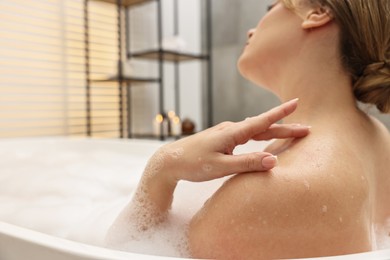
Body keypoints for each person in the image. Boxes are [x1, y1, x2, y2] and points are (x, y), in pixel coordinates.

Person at [107, 0, 390, 259]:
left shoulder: (278, 189)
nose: (252, 29)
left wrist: (163, 168)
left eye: (271, 6)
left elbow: (132, 250)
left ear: (317, 13)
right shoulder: (378, 139)